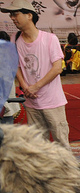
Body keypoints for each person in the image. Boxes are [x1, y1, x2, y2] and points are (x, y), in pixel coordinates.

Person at [2, 0, 70, 149]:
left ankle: (66, 171)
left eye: (16, 14)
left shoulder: (49, 39)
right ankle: (44, 172)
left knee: (61, 142)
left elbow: (57, 68)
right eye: (11, 15)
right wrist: (25, 86)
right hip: (31, 102)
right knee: (38, 144)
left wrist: (35, 87)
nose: (13, 18)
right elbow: (16, 65)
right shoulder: (15, 38)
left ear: (29, 15)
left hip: (52, 101)